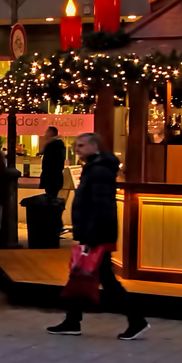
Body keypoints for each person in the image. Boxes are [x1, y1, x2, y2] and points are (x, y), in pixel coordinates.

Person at [48, 133, 150, 339]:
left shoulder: (99, 170)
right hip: (96, 232)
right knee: (81, 274)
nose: (77, 149)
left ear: (94, 147)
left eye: (81, 145)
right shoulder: (96, 168)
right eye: (76, 145)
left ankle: (136, 319)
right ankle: (73, 320)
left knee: (104, 279)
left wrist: (90, 235)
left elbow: (100, 206)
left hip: (97, 235)